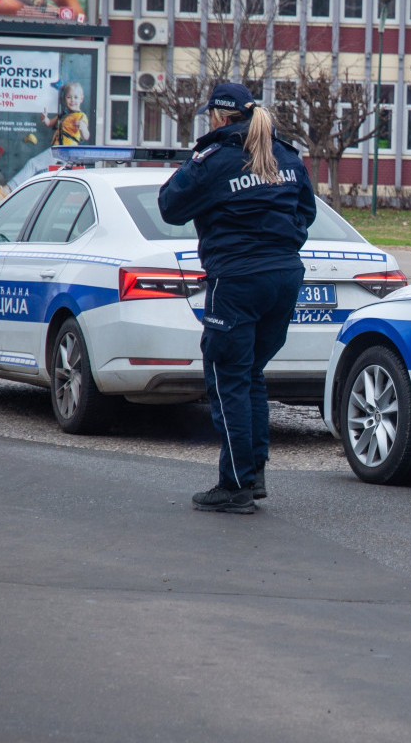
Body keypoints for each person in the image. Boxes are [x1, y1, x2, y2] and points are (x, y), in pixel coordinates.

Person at [158, 82, 317, 514]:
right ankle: (254, 472)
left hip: (237, 280)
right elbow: (307, 213)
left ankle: (235, 485)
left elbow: (170, 205)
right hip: (284, 277)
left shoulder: (217, 157)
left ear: (218, 115)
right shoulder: (285, 154)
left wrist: (197, 158)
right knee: (249, 375)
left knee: (227, 376)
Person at [0, 80, 89, 204]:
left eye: (75, 97)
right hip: (59, 152)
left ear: (81, 99)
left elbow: (86, 135)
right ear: (65, 99)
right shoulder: (63, 116)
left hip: (63, 151)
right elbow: (49, 123)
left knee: (33, 164)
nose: (72, 100)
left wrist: (82, 128)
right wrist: (45, 119)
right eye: (69, 97)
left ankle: (6, 191)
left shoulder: (81, 117)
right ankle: (20, 200)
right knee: (40, 174)